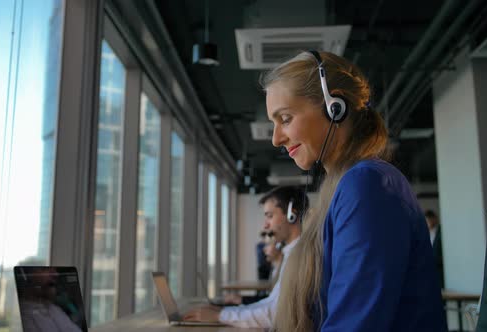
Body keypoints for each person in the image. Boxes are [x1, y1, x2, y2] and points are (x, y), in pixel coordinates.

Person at [262, 50, 446, 331]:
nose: (276, 139)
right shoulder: (347, 186)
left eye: (285, 119)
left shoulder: (366, 186)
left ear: (333, 106)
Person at [183, 186, 308, 328]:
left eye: (270, 216)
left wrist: (221, 315)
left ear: (292, 214)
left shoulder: (302, 256)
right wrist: (225, 311)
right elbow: (270, 304)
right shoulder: (292, 253)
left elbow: (276, 314)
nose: (265, 225)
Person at [426, 209, 444, 288]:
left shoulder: (441, 231)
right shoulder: (427, 234)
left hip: (440, 269)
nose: (427, 223)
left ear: (434, 218)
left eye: (428, 220)